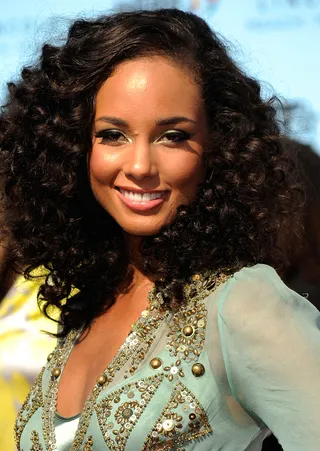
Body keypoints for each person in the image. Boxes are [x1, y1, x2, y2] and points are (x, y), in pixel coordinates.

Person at [0, 8, 319, 451]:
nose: (139, 166)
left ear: (218, 147)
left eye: (172, 136)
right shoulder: (93, 304)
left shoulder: (245, 304)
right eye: (113, 135)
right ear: (73, 146)